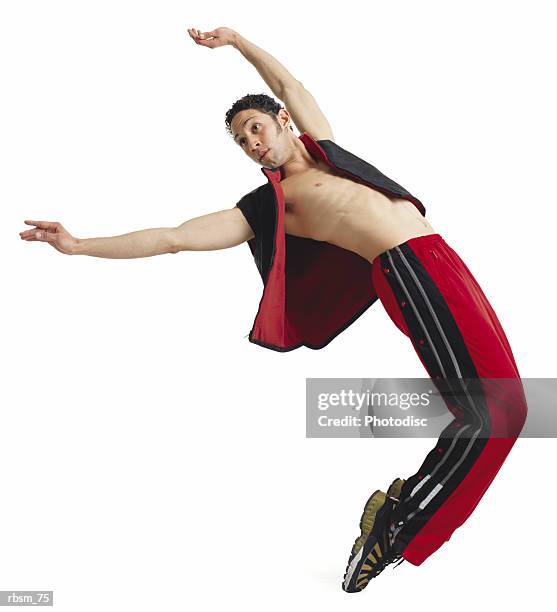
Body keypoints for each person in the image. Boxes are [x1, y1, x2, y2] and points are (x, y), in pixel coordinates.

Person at [19, 26, 528, 592]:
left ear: (282, 120)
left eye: (255, 128)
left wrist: (237, 42)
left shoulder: (326, 149)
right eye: (242, 141)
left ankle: (401, 512)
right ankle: (396, 529)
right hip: (408, 269)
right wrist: (80, 243)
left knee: (511, 404)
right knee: (491, 413)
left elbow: (287, 81)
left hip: (442, 257)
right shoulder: (273, 206)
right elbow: (173, 237)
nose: (253, 144)